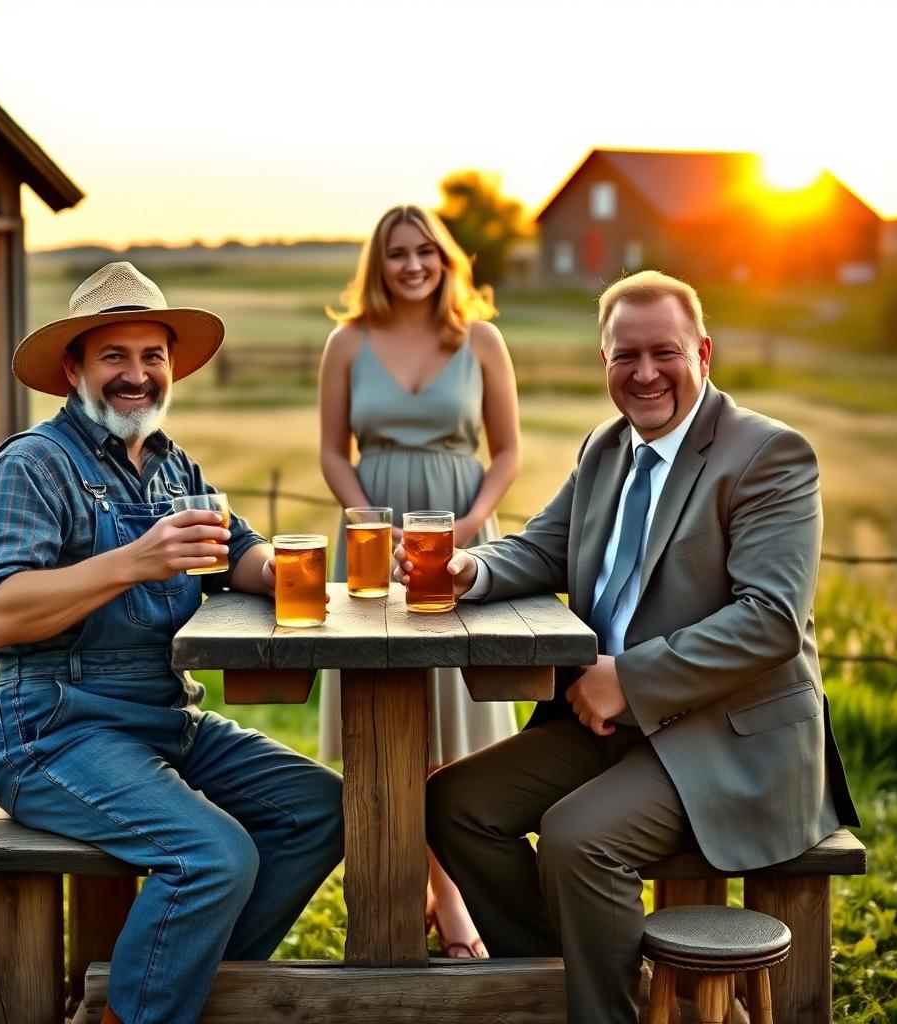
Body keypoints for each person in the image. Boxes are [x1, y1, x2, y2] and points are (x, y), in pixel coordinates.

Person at [398, 269, 858, 1022]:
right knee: (453, 803)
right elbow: (543, 548)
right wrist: (467, 568)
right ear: (604, 362)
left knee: (579, 839)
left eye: (664, 352)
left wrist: (629, 679)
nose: (644, 373)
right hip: (607, 724)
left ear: (704, 352)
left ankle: (603, 1006)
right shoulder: (607, 446)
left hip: (726, 739)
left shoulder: (769, 455)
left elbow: (771, 619)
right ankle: (606, 991)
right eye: (625, 356)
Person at [0, 262, 344, 1024]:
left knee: (321, 807)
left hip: (169, 721)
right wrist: (136, 560)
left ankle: (173, 991)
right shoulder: (33, 466)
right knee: (214, 856)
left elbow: (237, 549)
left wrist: (277, 569)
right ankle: (135, 1013)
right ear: (73, 369)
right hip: (54, 729)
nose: (136, 376)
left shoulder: (173, 464)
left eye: (152, 357)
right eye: (114, 357)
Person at [317, 205, 521, 958]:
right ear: (380, 262)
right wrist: (372, 521)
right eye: (398, 253)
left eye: (426, 252)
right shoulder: (346, 341)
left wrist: (462, 534)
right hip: (372, 541)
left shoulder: (481, 338)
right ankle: (414, 893)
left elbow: (506, 455)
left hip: (458, 536)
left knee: (457, 730)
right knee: (389, 719)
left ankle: (448, 894)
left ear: (446, 259)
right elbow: (332, 451)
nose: (412, 265)